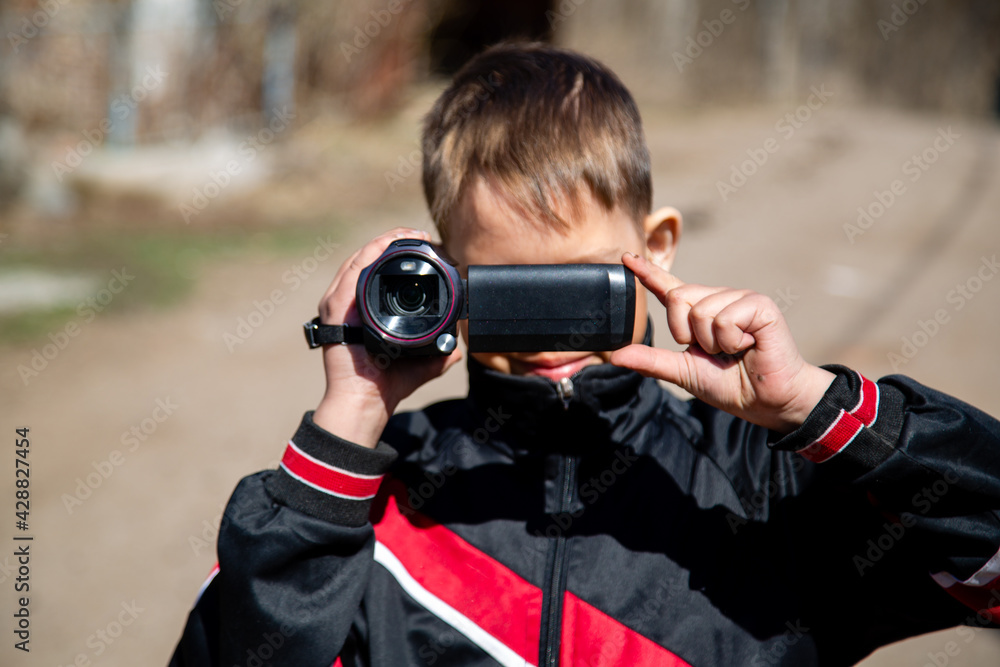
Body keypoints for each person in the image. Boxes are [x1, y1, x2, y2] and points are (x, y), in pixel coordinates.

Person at [169, 43, 1000, 667]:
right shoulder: (374, 508)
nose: (548, 336)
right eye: (501, 292)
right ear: (437, 278)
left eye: (576, 289)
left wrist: (821, 413)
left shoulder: (766, 484)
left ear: (657, 250)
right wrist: (342, 434)